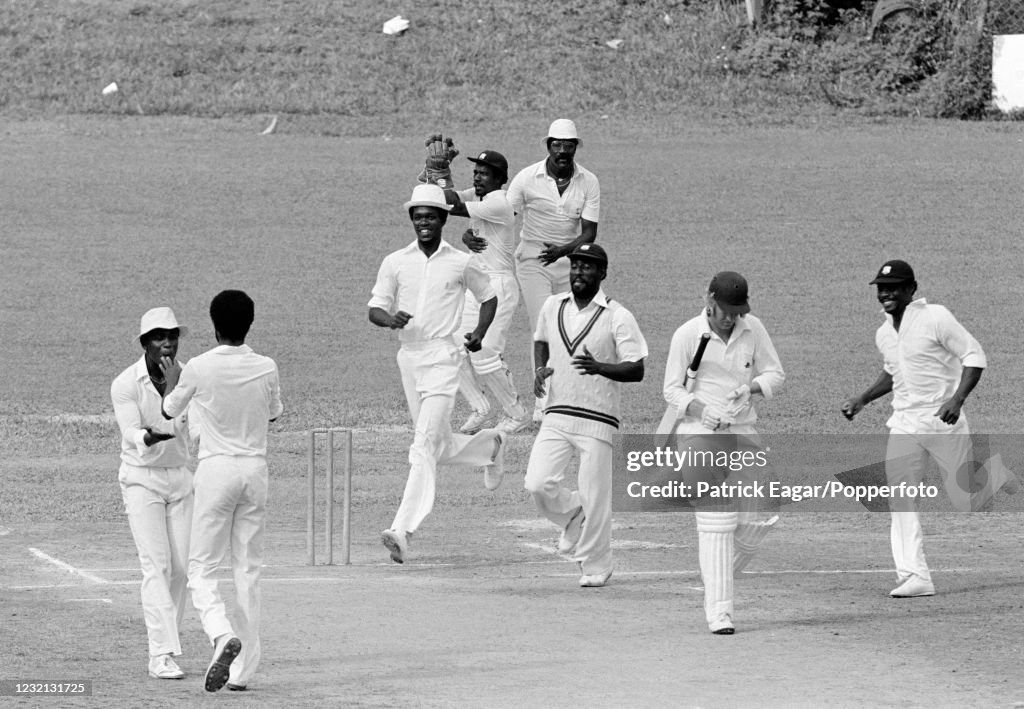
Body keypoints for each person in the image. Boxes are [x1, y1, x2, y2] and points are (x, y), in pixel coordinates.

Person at [841, 259, 1017, 598]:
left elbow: (974, 356)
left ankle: (995, 476)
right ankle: (914, 575)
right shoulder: (884, 333)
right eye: (881, 288)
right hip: (904, 424)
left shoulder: (935, 317)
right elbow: (895, 372)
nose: (886, 293)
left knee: (966, 500)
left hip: (942, 422)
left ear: (911, 290)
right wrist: (863, 398)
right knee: (900, 498)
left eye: (893, 287)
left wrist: (957, 400)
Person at [369, 183, 507, 565]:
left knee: (423, 444)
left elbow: (489, 295)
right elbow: (375, 307)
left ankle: (402, 529)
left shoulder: (460, 261)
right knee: (437, 445)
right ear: (412, 220)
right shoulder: (395, 261)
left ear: (443, 219)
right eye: (418, 216)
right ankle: (490, 446)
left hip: (445, 357)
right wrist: (388, 319)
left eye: (431, 216)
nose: (424, 222)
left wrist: (479, 332)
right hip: (409, 357)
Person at [160, 290, 283, 693]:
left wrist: (176, 384)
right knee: (248, 570)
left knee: (200, 568)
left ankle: (219, 635)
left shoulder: (197, 367)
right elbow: (274, 413)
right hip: (255, 471)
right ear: (249, 324)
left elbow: (169, 410)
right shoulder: (266, 366)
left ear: (214, 327)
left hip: (216, 471)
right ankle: (243, 672)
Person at [657, 271, 785, 635]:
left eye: (737, 311)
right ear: (708, 301)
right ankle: (720, 612)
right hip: (699, 434)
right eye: (725, 311)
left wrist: (752, 389)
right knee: (717, 523)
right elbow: (671, 391)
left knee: (762, 518)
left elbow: (776, 374)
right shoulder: (687, 334)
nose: (731, 318)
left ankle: (716, 579)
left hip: (743, 431)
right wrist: (701, 411)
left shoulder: (752, 328)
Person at [524, 243, 647, 588]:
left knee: (596, 496)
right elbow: (541, 340)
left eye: (588, 267)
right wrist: (538, 369)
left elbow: (636, 369)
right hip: (557, 411)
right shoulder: (553, 305)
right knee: (537, 483)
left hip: (598, 418)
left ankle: (597, 564)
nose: (579, 272)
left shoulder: (617, 315)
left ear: (602, 273)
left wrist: (600, 367)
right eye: (576, 265)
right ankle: (571, 513)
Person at [111, 307, 193, 680]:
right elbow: (134, 431)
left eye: (172, 335)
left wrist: (178, 385)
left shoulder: (189, 374)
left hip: (180, 476)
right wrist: (149, 433)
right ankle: (160, 653)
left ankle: (168, 647)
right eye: (159, 337)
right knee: (156, 565)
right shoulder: (125, 383)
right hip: (141, 478)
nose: (167, 343)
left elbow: (189, 424)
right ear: (145, 343)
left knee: (181, 569)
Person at [506, 118, 601, 422]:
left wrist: (562, 251)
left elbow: (589, 234)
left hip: (569, 262)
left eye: (568, 146)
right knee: (543, 323)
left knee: (571, 327)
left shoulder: (589, 181)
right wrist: (475, 230)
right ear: (548, 146)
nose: (562, 151)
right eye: (557, 145)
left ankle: (570, 397)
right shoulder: (526, 177)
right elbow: (503, 214)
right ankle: (541, 402)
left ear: (576, 147)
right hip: (533, 260)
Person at [439, 147, 530, 436]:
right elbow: (448, 200)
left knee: (485, 352)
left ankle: (517, 414)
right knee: (452, 347)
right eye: (475, 172)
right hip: (477, 284)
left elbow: (450, 204)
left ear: (499, 178)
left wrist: (441, 172)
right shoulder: (479, 196)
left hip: (500, 286)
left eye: (484, 173)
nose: (477, 177)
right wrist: (469, 233)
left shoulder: (499, 202)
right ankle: (480, 408)